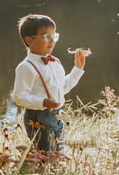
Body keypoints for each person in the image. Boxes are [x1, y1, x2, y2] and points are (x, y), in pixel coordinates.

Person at [11, 14, 87, 154]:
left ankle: (36, 157)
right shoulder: (26, 67)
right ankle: (38, 165)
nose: (52, 41)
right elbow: (19, 96)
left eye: (54, 36)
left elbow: (61, 88)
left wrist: (77, 69)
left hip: (56, 115)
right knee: (48, 154)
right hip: (38, 118)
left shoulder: (55, 62)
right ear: (29, 40)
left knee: (58, 151)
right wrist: (43, 102)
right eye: (46, 36)